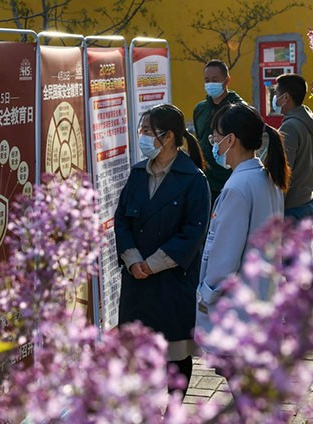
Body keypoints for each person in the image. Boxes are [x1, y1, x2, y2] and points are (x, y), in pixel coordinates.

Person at [114, 104, 211, 397]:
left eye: (146, 132)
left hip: (171, 280)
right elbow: (121, 219)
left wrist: (152, 264)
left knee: (175, 352)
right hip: (137, 280)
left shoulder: (194, 179)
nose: (142, 137)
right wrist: (132, 260)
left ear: (168, 137)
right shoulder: (137, 173)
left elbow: (193, 233)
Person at [195, 103, 290, 340]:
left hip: (238, 309)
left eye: (215, 137)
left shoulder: (237, 187)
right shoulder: (266, 177)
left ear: (231, 140)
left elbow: (224, 257)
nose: (213, 143)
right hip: (263, 298)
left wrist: (207, 296)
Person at [193, 59, 246, 205]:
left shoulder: (238, 109)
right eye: (207, 80)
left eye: (215, 79)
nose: (210, 83)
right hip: (205, 182)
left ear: (227, 80)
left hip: (230, 181)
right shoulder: (200, 109)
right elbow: (200, 140)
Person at [273, 73, 313, 224]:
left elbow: (284, 172)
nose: (275, 98)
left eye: (277, 94)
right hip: (306, 203)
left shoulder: (289, 127)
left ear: (286, 97)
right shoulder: (305, 121)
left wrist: (275, 210)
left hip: (292, 210)